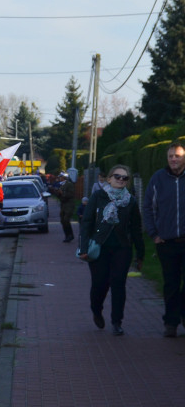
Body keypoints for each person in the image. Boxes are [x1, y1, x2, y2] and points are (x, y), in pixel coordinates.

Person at [78, 163, 144, 337]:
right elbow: (87, 223)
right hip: (99, 247)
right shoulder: (98, 196)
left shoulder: (130, 201)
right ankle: (96, 310)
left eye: (125, 178)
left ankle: (117, 321)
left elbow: (136, 228)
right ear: (109, 179)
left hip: (122, 249)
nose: (121, 180)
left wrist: (140, 253)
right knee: (100, 284)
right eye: (117, 177)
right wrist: (83, 247)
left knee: (118, 284)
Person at [143, 140, 185, 337]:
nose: (174, 159)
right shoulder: (158, 179)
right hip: (166, 242)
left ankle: (182, 313)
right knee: (171, 284)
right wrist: (154, 233)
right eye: (170, 156)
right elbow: (148, 208)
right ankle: (171, 323)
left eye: (177, 156)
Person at [56, 171, 78, 242]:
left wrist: (62, 193)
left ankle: (70, 235)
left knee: (66, 219)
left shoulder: (69, 184)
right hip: (63, 205)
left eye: (60, 177)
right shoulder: (61, 185)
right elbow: (59, 196)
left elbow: (70, 195)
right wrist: (57, 193)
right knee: (62, 220)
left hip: (69, 205)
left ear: (64, 177)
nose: (59, 178)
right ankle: (67, 235)